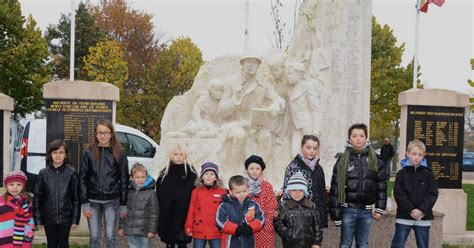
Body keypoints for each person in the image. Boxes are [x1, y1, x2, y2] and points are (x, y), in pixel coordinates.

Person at [329, 123, 387, 248]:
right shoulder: (342, 160)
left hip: (367, 211)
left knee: (363, 244)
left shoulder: (375, 159)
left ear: (366, 137)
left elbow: (381, 184)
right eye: (354, 136)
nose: (358, 138)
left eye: (361, 135)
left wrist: (380, 208)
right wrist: (336, 214)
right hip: (348, 210)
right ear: (349, 138)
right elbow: (335, 188)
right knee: (345, 243)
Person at [79, 119, 129, 248]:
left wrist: (123, 203)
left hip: (112, 201)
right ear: (95, 134)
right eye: (100, 132)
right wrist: (84, 202)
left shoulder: (120, 153)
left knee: (110, 236)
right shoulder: (88, 153)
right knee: (94, 237)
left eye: (106, 132)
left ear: (111, 134)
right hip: (92, 200)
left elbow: (124, 179)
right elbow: (82, 178)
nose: (103, 136)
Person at [391, 139, 438, 248]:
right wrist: (410, 210)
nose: (417, 157)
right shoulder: (401, 173)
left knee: (423, 245)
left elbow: (432, 194)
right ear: (408, 153)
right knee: (398, 244)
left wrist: (421, 210)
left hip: (423, 217)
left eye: (420, 155)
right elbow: (399, 194)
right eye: (414, 154)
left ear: (424, 156)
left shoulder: (428, 174)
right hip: (404, 215)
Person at [34, 140, 80, 248]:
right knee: (52, 244)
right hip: (49, 218)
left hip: (66, 218)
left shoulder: (72, 173)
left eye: (61, 152)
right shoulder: (43, 173)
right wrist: (38, 218)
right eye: (55, 152)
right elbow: (37, 197)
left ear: (65, 155)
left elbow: (76, 198)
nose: (58, 155)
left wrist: (75, 219)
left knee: (64, 244)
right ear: (50, 154)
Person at [282, 135, 328, 228]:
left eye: (315, 148)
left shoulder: (319, 168)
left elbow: (322, 194)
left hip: (315, 215)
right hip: (299, 215)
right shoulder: (294, 166)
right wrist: (288, 216)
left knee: (315, 241)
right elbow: (287, 192)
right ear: (302, 147)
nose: (312, 151)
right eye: (308, 147)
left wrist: (322, 218)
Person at [156, 144, 197, 248]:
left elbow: (194, 193)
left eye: (181, 154)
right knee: (170, 242)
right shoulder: (164, 173)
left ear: (185, 156)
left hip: (184, 213)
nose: (178, 157)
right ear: (171, 156)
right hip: (168, 213)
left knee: (182, 242)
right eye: (175, 154)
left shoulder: (191, 173)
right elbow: (160, 193)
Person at [274, 172, 323, 248]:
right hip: (290, 244)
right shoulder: (283, 206)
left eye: (301, 190)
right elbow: (277, 222)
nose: (297, 193)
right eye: (294, 190)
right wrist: (287, 234)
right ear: (289, 191)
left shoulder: (311, 205)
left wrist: (317, 241)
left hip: (309, 244)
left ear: (305, 191)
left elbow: (317, 225)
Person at [185, 162, 226, 248]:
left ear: (216, 178)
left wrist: (225, 227)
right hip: (199, 229)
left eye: (212, 174)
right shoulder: (196, 191)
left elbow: (225, 211)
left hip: (216, 231)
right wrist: (188, 226)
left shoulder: (222, 192)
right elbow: (191, 209)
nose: (209, 176)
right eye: (206, 174)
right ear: (202, 176)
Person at [216, 175, 265, 248]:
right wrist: (235, 229)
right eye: (238, 192)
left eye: (244, 191)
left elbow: (261, 218)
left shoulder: (253, 204)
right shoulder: (224, 205)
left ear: (248, 189)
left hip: (248, 242)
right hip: (230, 243)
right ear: (230, 191)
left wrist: (251, 227)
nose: (242, 194)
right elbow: (219, 221)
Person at [119, 163, 159, 248]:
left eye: (143, 177)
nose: (140, 179)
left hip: (144, 231)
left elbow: (154, 214)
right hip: (131, 230)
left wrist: (152, 230)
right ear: (132, 178)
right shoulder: (128, 192)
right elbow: (124, 212)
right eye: (137, 177)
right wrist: (121, 227)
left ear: (146, 177)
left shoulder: (151, 193)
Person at [286, 62, 321, 155]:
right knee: (295, 154)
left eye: (291, 74)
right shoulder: (289, 89)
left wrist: (316, 130)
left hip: (307, 125)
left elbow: (315, 108)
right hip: (295, 126)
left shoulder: (307, 86)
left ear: (299, 75)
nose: (288, 76)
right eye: (288, 73)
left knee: (310, 154)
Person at [244, 155, 278, 248]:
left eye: (257, 168)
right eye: (251, 168)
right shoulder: (243, 186)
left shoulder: (267, 186)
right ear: (247, 170)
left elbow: (272, 205)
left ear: (261, 170)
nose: (254, 171)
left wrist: (267, 221)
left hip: (265, 226)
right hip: (248, 225)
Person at [0, 171, 35, 247]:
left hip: (23, 238)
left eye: (19, 184)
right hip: (4, 239)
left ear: (23, 186)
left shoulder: (27, 202)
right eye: (11, 184)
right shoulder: (1, 203)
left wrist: (29, 234)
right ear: (6, 186)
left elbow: (30, 220)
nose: (15, 187)